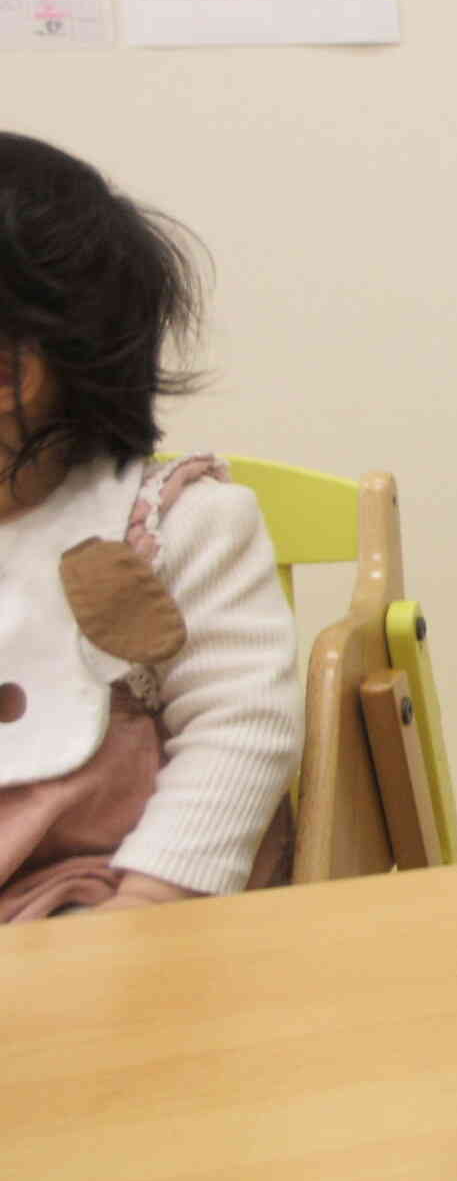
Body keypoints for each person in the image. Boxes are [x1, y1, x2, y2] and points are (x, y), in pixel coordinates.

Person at [0, 134, 300, 920]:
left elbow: (240, 726)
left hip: (94, 896)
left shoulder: (175, 524)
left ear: (13, 374)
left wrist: (151, 900)